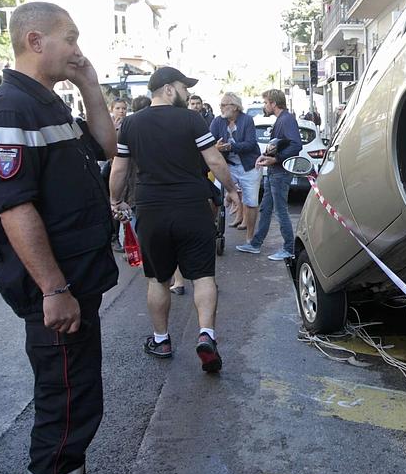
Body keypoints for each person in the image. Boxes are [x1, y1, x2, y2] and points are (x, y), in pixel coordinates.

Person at [0, 1, 129, 474]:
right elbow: (15, 209)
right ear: (35, 40)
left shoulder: (48, 103)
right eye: (71, 38)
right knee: (64, 411)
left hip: (77, 288)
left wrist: (89, 83)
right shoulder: (11, 109)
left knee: (79, 403)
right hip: (59, 296)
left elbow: (109, 148)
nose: (79, 46)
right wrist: (54, 288)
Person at [108, 67, 241, 372]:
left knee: (157, 279)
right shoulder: (193, 120)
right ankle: (206, 336)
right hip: (193, 207)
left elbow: (119, 170)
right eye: (183, 87)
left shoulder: (129, 124)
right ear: (168, 89)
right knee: (204, 276)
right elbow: (214, 159)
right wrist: (232, 190)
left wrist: (116, 200)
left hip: (152, 210)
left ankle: (161, 339)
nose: (185, 93)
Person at [236, 88, 301, 261]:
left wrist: (276, 159)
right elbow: (283, 144)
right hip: (274, 172)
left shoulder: (286, 119)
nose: (264, 106)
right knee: (266, 209)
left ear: (273, 103)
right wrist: (266, 157)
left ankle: (289, 248)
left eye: (265, 102)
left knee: (280, 211)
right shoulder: (282, 119)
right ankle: (256, 244)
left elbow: (296, 145)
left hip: (280, 173)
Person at [209, 92, 261, 238]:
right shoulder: (217, 121)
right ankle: (211, 228)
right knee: (213, 194)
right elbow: (209, 142)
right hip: (227, 166)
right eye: (221, 104)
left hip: (248, 166)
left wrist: (230, 147)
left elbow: (251, 144)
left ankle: (249, 237)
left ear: (235, 107)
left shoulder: (247, 120)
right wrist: (216, 147)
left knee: (251, 201)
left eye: (225, 105)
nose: (221, 107)